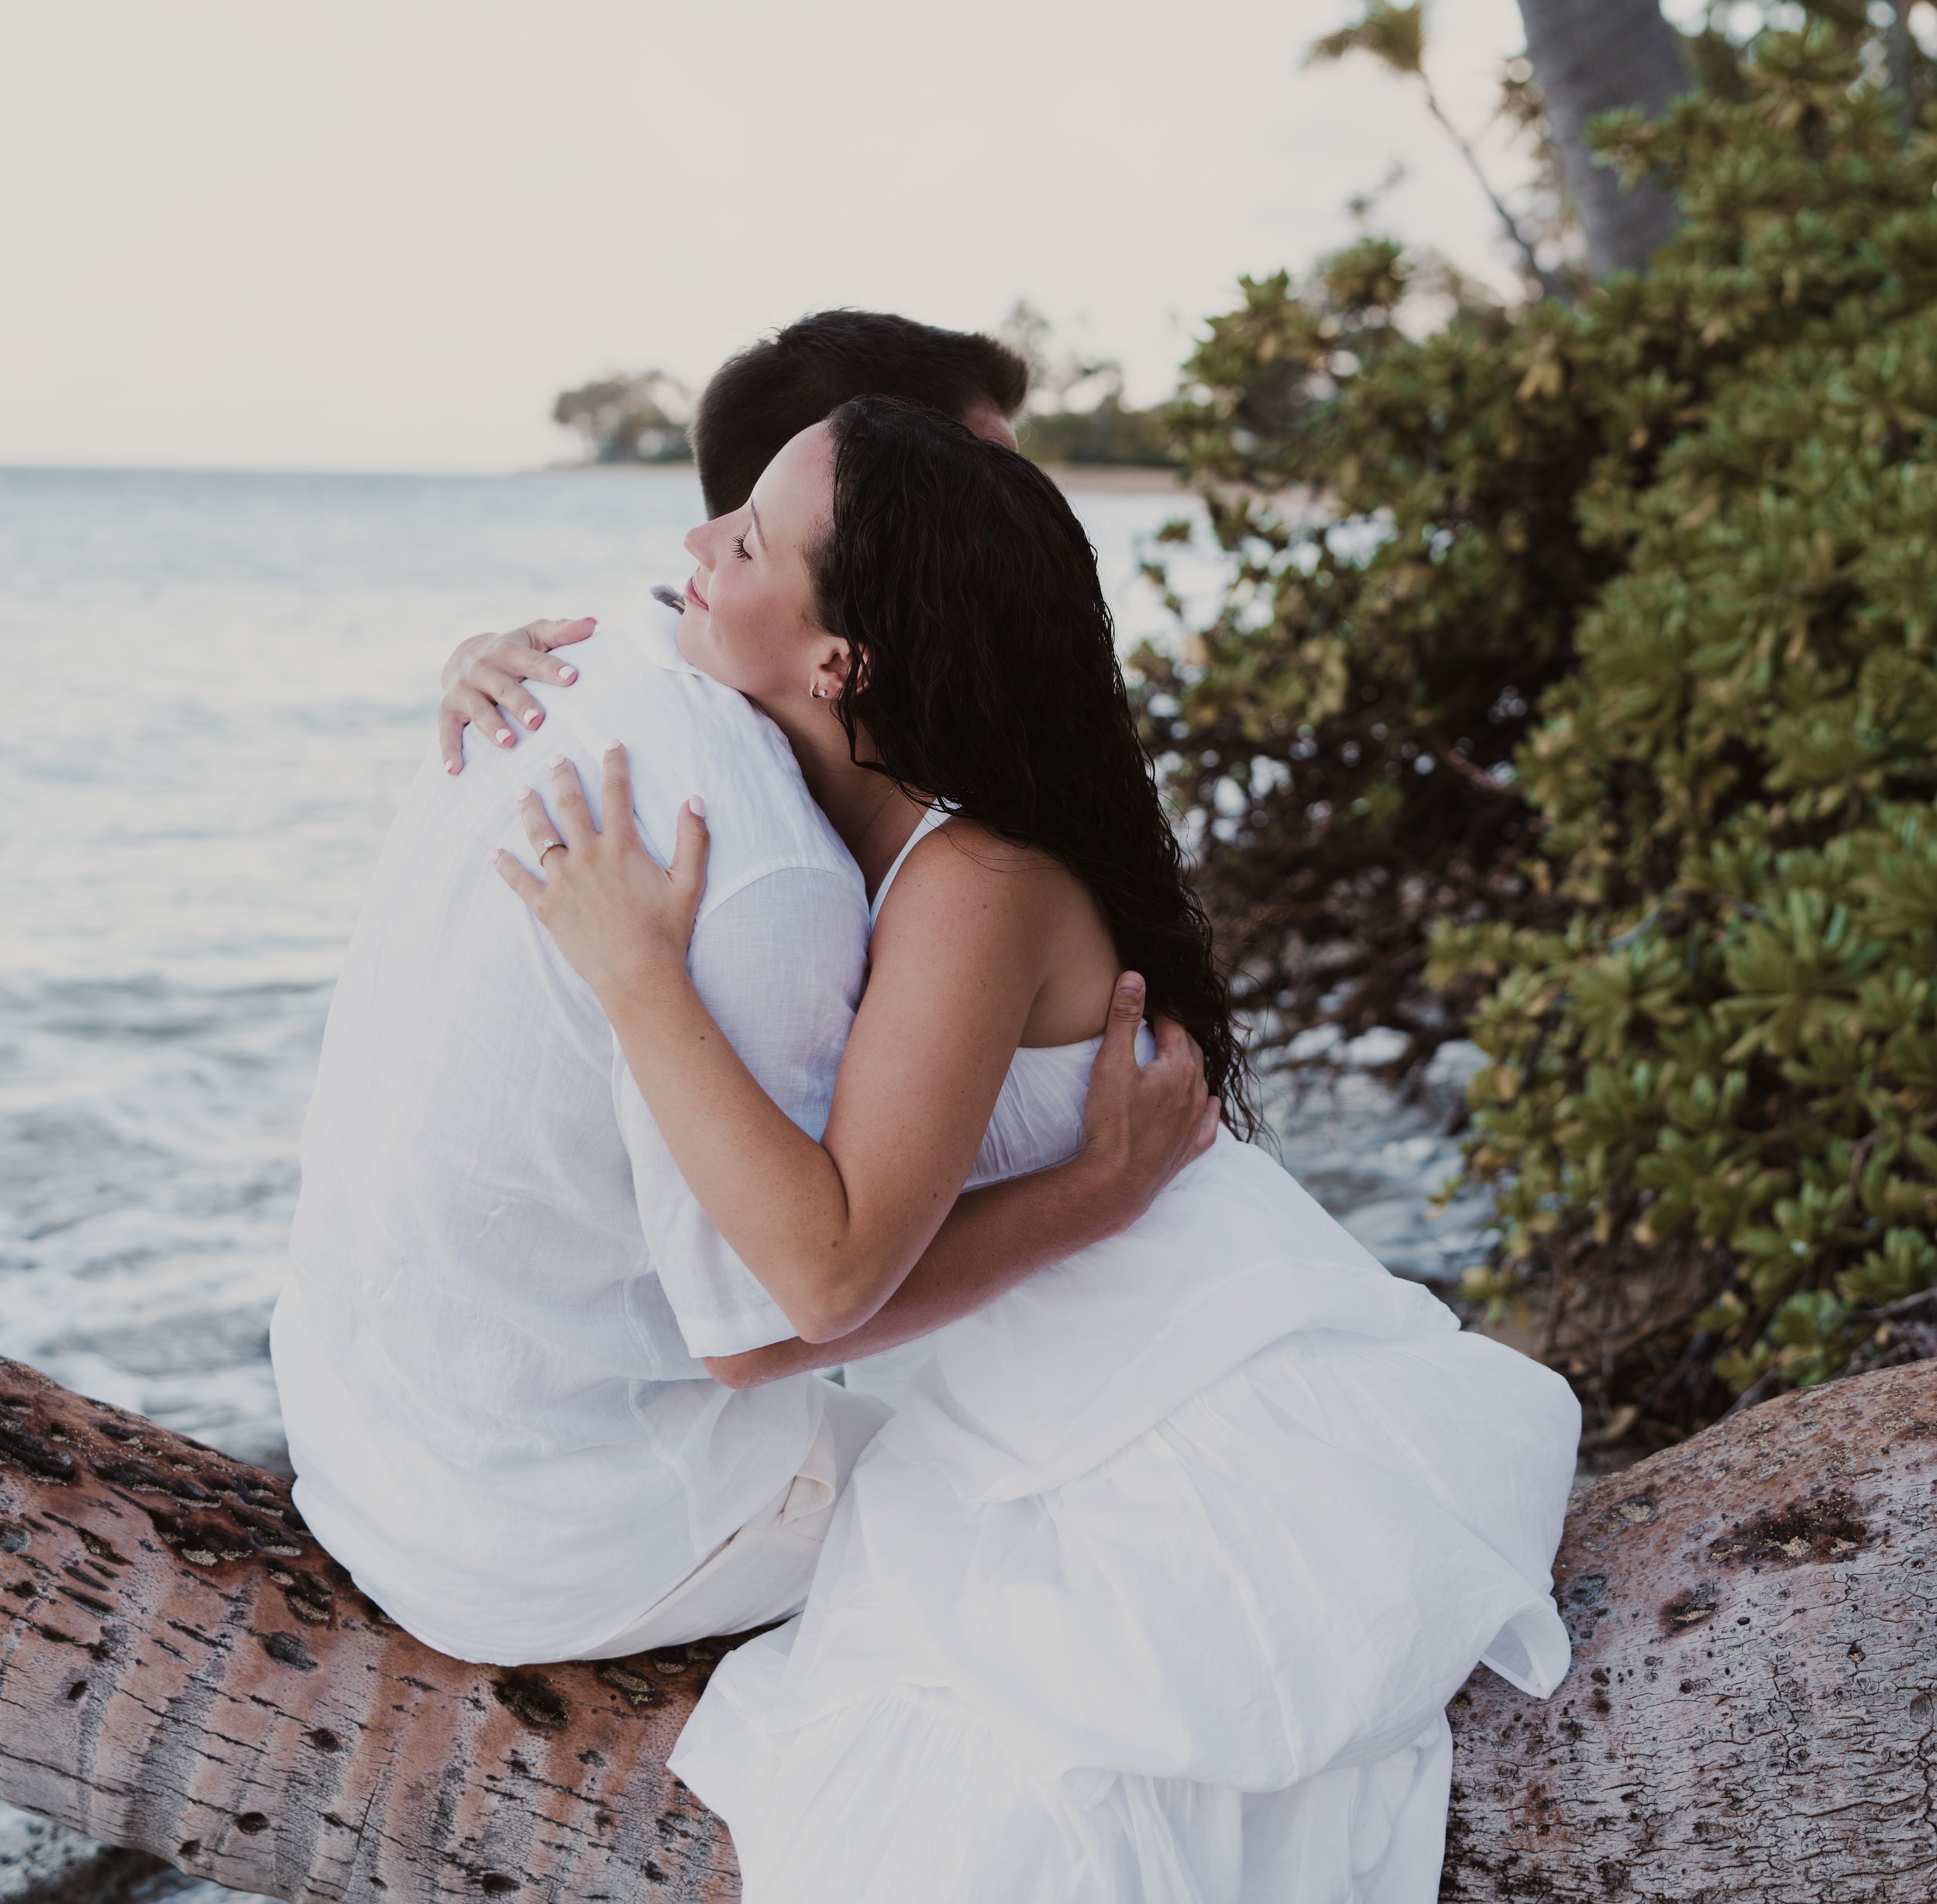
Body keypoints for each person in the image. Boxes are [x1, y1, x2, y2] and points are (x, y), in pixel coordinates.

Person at [485, 397, 1581, 1901]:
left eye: (740, 534)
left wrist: (635, 978)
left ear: (839, 664)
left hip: (1174, 1394)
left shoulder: (975, 876)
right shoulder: (847, 804)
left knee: (1007, 1810)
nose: (689, 543)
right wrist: (478, 670)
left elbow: (820, 1270)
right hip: (1021, 1398)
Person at [269, 312, 1211, 1669]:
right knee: (1067, 1584)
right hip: (545, 1527)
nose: (697, 549)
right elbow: (789, 1307)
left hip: (366, 1439)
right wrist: (1091, 1196)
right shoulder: (760, 858)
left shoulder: (607, 679)